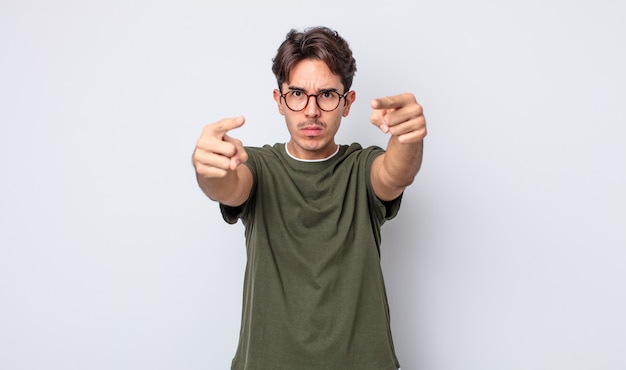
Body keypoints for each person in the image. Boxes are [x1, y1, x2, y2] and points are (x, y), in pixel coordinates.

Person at [192, 26, 426, 370]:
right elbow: (228, 185)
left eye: (328, 95)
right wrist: (209, 168)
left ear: (348, 104)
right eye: (298, 94)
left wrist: (409, 138)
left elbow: (395, 174)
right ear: (279, 101)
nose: (312, 110)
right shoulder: (258, 166)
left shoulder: (361, 167)